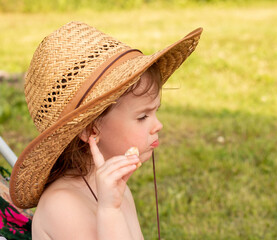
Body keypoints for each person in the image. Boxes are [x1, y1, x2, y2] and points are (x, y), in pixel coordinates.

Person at [9, 21, 202, 239]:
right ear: (91, 130)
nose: (158, 125)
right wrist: (110, 212)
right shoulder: (63, 206)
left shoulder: (115, 189)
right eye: (142, 117)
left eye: (155, 112)